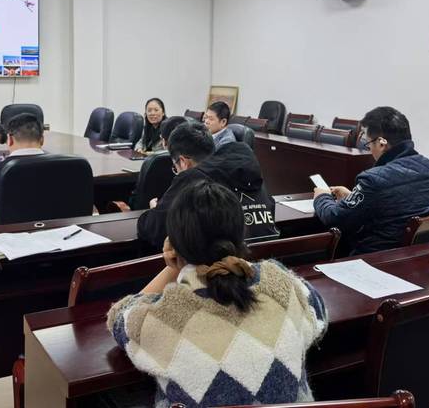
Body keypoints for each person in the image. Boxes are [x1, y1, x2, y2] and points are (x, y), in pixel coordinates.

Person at [108, 180, 327, 407]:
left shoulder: (164, 315)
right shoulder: (279, 282)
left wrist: (172, 267)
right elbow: (318, 311)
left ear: (173, 245)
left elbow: (119, 317)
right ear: (241, 234)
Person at [313, 106, 429, 254]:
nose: (369, 149)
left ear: (381, 143)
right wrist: (352, 197)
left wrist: (322, 197)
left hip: (379, 258)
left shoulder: (373, 179)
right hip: (428, 255)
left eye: (368, 144)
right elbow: (400, 205)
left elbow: (336, 219)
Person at [137, 121, 276, 250]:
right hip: (268, 258)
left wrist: (155, 211)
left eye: (175, 168)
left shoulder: (191, 178)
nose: (176, 172)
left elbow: (154, 230)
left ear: (183, 162)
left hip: (226, 264)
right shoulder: (248, 170)